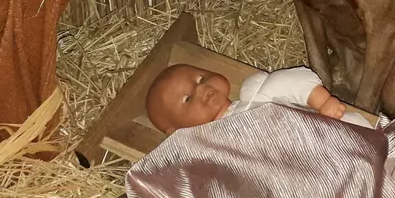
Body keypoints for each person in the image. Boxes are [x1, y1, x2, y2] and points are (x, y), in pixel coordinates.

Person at [144, 63, 374, 135]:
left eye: (200, 78)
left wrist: (321, 101)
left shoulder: (253, 96)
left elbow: (288, 81)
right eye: (187, 99)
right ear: (176, 132)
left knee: (352, 128)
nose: (202, 89)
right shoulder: (210, 151)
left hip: (315, 137)